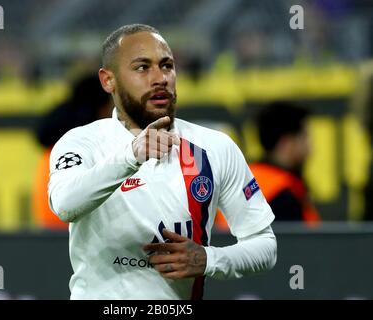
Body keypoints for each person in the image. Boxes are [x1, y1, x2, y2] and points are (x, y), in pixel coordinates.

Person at [48, 24, 277, 300]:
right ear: (108, 80)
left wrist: (208, 259)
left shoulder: (215, 148)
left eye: (166, 66)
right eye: (142, 68)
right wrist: (131, 156)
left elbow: (265, 246)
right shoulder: (82, 143)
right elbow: (64, 204)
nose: (160, 78)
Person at [33, 73, 112, 229]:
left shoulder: (54, 143)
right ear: (102, 106)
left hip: (47, 227)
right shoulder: (89, 144)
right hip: (73, 228)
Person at [249, 101, 321, 225]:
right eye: (304, 137)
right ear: (286, 143)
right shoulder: (282, 196)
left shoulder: (246, 177)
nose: (310, 148)